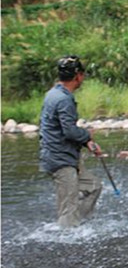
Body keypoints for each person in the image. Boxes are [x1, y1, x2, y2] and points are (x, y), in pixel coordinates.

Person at [39, 55, 103, 228]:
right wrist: (87, 135)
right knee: (68, 208)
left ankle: (78, 224)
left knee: (94, 186)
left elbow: (63, 129)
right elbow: (69, 131)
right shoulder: (63, 99)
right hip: (60, 160)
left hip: (61, 156)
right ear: (78, 76)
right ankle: (68, 233)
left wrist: (86, 141)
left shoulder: (53, 94)